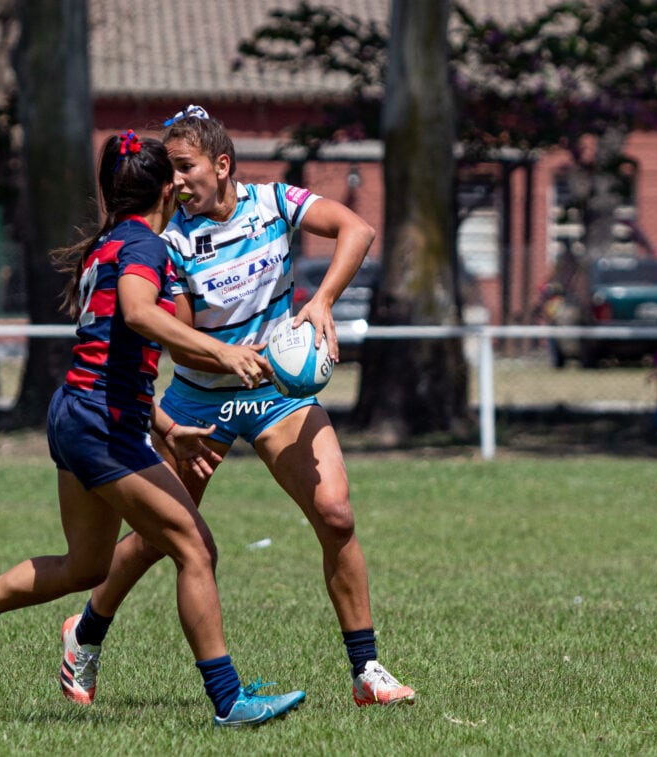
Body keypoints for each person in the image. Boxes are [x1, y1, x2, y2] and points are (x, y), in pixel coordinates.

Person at [0, 131, 305, 727]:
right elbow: (138, 314)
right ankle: (229, 701)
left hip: (79, 411)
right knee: (196, 548)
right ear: (166, 186)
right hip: (102, 424)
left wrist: (168, 426)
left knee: (87, 564)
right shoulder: (144, 246)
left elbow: (113, 352)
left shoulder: (111, 244)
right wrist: (223, 354)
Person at [60, 107, 416, 709]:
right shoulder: (167, 241)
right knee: (159, 538)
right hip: (199, 402)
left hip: (276, 394)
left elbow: (357, 229)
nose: (173, 182)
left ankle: (367, 671)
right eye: (168, 171)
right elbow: (177, 332)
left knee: (335, 514)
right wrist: (221, 348)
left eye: (184, 168)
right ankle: (85, 632)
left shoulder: (276, 203)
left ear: (222, 166)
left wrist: (322, 301)